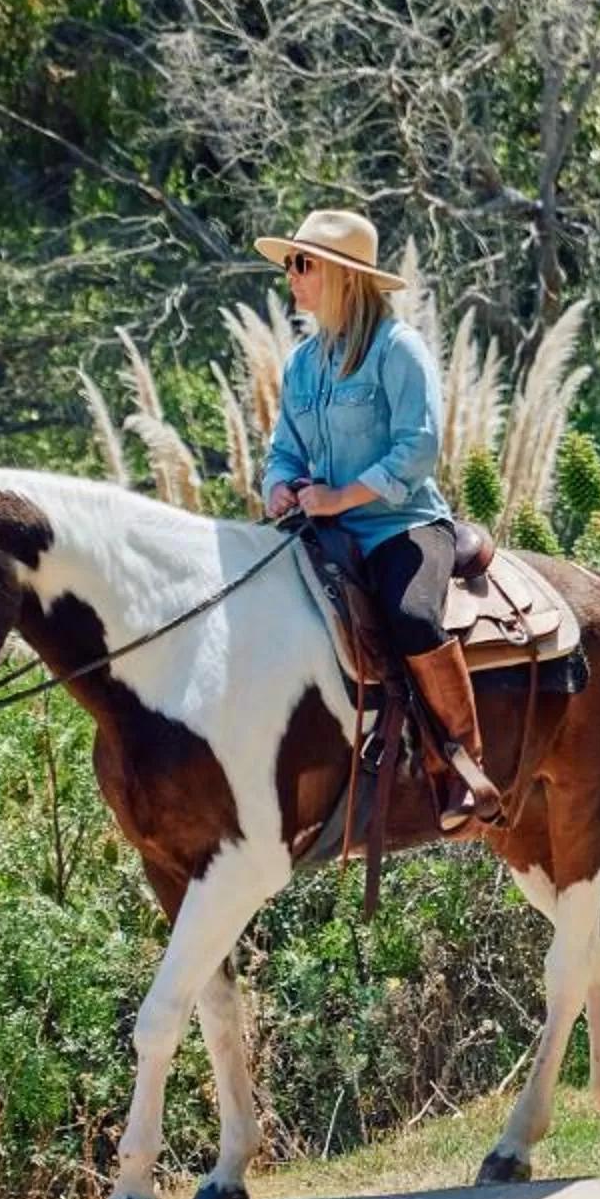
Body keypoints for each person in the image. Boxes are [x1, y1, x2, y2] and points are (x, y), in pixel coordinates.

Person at [254, 208, 500, 833]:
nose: (291, 275)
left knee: (412, 617)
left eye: (302, 263)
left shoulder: (398, 349)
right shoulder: (303, 362)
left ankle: (463, 768)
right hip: (323, 532)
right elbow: (283, 449)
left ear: (341, 275)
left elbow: (418, 448)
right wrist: (280, 485)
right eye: (289, 263)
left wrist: (340, 499)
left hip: (401, 526)